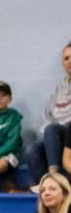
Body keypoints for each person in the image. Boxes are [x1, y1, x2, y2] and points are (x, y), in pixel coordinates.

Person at [26, 42, 71, 182]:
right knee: (32, 150)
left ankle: (54, 177)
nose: (70, 61)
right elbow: (48, 116)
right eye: (66, 58)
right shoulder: (58, 89)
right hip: (57, 137)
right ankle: (46, 186)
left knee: (53, 130)